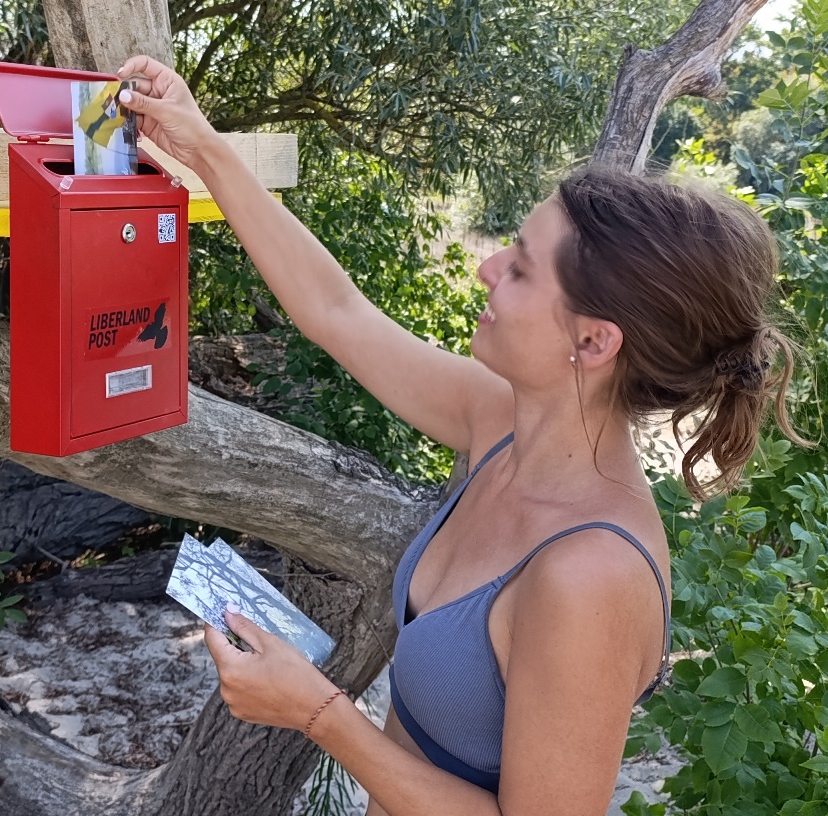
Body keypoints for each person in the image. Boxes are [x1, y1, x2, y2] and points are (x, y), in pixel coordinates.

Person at [117, 55, 803, 816]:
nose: (486, 267)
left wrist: (318, 713)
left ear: (595, 343)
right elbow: (336, 312)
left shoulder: (589, 577)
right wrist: (202, 143)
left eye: (519, 268)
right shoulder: (499, 423)